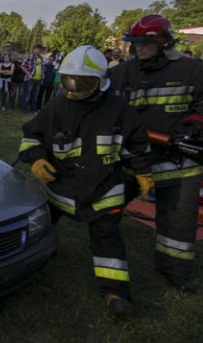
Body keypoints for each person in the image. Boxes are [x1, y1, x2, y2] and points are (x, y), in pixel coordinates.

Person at [19, 45, 152, 317]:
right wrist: (35, 157)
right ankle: (27, 263)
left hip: (102, 190)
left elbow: (136, 147)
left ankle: (115, 293)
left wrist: (141, 172)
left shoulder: (120, 111)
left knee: (108, 240)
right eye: (69, 79)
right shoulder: (55, 107)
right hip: (59, 189)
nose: (75, 87)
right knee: (39, 226)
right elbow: (31, 136)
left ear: (101, 82)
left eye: (83, 81)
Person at [109, 14, 203, 293]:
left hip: (180, 162)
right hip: (136, 158)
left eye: (143, 44)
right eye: (134, 43)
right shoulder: (124, 72)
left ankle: (175, 271)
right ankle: (104, 253)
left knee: (179, 221)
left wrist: (195, 124)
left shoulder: (192, 70)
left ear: (163, 42)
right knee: (107, 205)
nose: (137, 48)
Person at [20, 44, 45, 112]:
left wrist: (43, 75)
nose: (38, 51)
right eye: (36, 49)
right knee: (27, 95)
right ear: (34, 50)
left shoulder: (42, 58)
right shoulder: (30, 57)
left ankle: (33, 109)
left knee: (35, 95)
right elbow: (22, 66)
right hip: (30, 79)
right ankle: (24, 108)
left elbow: (42, 68)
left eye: (39, 50)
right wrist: (28, 74)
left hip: (39, 80)